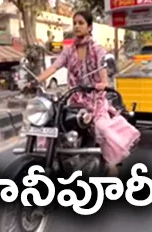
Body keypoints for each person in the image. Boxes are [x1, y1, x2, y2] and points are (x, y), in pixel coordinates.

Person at [33, 10, 139, 176]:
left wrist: (103, 83)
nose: (76, 26)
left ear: (89, 27)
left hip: (94, 100)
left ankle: (110, 164)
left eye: (81, 23)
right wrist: (36, 80)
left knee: (102, 129)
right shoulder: (68, 51)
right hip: (74, 99)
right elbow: (54, 67)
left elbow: (103, 68)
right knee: (52, 123)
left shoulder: (97, 49)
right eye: (75, 23)